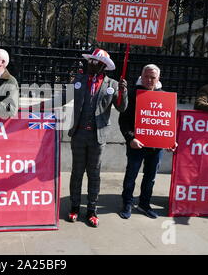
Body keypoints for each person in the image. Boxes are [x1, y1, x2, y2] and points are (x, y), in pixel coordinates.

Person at [67, 48, 128, 228]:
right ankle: (75, 207)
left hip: (98, 136)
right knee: (77, 172)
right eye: (90, 61)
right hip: (78, 134)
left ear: (103, 66)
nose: (91, 64)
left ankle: (92, 210)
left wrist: (124, 92)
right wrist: (36, 108)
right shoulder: (78, 80)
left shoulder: (114, 84)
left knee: (94, 174)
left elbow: (122, 108)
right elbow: (62, 98)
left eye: (95, 62)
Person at [118, 64, 176, 219]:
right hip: (136, 144)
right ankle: (127, 203)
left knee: (150, 177)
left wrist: (171, 141)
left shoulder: (164, 96)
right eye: (146, 76)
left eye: (153, 77)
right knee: (131, 175)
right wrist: (131, 138)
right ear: (141, 77)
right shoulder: (132, 94)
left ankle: (144, 204)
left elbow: (167, 122)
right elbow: (123, 121)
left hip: (156, 147)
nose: (149, 80)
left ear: (158, 79)